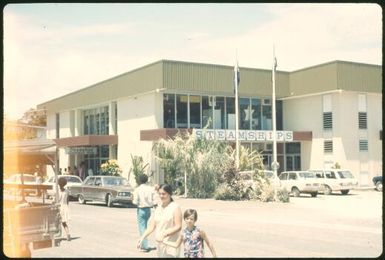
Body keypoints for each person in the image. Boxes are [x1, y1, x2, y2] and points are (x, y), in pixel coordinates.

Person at [137, 184, 182, 257]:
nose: (161, 196)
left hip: (171, 245)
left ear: (170, 194)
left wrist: (165, 234)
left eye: (164, 194)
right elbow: (151, 226)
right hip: (160, 246)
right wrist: (142, 238)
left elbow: (178, 226)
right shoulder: (158, 208)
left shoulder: (175, 207)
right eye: (160, 194)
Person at [132, 174, 157, 252]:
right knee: (146, 226)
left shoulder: (137, 189)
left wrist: (132, 200)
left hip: (141, 209)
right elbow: (155, 200)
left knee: (142, 227)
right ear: (147, 180)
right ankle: (144, 244)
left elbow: (135, 202)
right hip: (149, 209)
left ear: (139, 180)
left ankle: (144, 245)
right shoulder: (151, 189)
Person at [58, 177, 71, 241]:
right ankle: (68, 233)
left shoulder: (58, 192)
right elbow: (68, 201)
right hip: (65, 207)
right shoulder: (67, 191)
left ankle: (57, 234)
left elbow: (57, 200)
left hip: (59, 207)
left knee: (57, 222)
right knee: (64, 223)